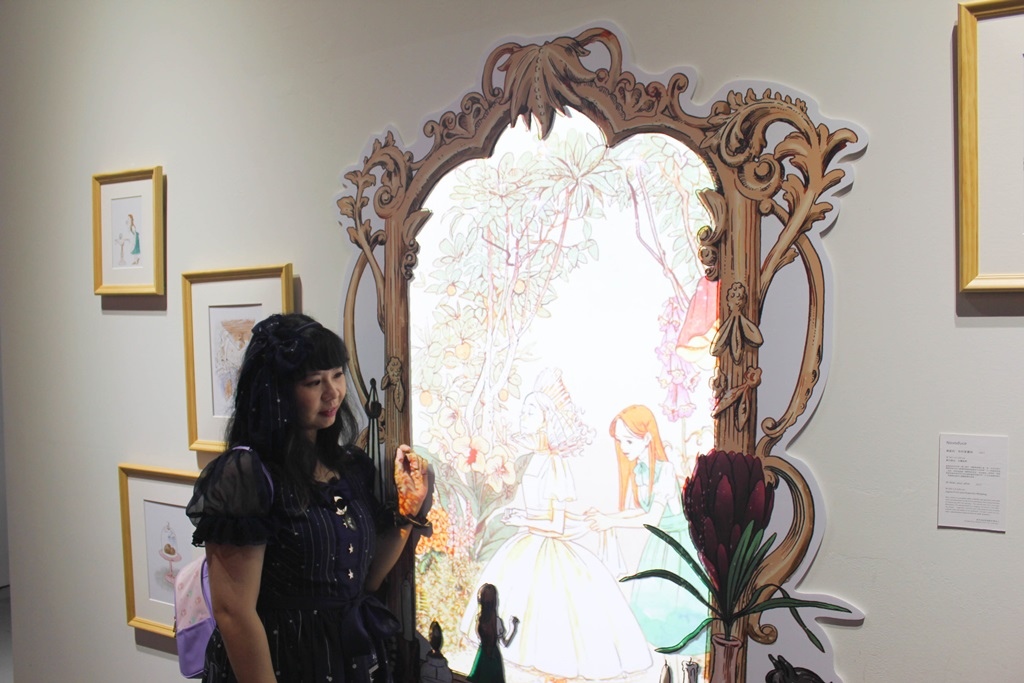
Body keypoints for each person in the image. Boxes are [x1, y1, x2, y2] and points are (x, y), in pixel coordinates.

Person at [187, 313, 430, 682]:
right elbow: (234, 613)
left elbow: (365, 580)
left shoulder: (350, 466)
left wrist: (407, 512)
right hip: (284, 662)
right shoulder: (248, 475)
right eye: (314, 382)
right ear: (277, 393)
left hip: (348, 659)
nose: (332, 393)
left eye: (337, 375)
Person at [459, 370, 650, 682]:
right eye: (524, 410)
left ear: (546, 419)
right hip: (526, 544)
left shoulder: (554, 463)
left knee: (553, 617)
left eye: (531, 411)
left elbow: (556, 524)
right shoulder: (534, 458)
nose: (524, 415)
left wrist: (522, 519)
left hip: (546, 547)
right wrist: (521, 515)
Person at [585, 404, 706, 654]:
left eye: (629, 441)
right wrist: (606, 517)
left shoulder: (665, 470)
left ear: (648, 438)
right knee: (652, 607)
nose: (623, 447)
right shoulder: (640, 470)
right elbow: (639, 511)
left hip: (677, 545)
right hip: (659, 543)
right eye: (620, 441)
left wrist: (611, 521)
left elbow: (652, 517)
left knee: (675, 608)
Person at [467, 584, 519, 683]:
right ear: (495, 602)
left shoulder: (479, 620)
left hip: (482, 656)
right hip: (493, 658)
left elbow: (479, 637)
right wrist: (513, 627)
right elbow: (504, 644)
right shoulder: (497, 622)